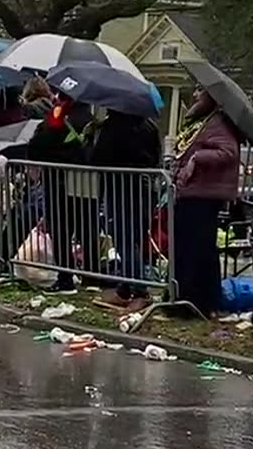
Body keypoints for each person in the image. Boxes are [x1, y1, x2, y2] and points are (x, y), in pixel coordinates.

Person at [170, 87, 242, 316]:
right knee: (185, 248)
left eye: (200, 91)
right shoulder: (201, 121)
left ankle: (199, 301)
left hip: (204, 195)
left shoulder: (218, 123)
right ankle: (182, 296)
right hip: (189, 192)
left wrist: (197, 157)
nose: (195, 95)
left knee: (199, 250)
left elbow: (228, 152)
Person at [26, 90, 99, 293]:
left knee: (61, 229)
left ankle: (65, 278)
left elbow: (37, 145)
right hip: (86, 181)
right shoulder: (91, 121)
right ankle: (91, 276)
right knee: (86, 227)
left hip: (58, 180)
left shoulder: (58, 117)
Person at [90, 109, 163, 309]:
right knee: (135, 238)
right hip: (146, 187)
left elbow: (98, 159)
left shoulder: (112, 127)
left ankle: (140, 291)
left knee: (124, 239)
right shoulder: (149, 125)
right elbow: (157, 155)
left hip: (121, 187)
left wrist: (92, 137)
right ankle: (125, 287)